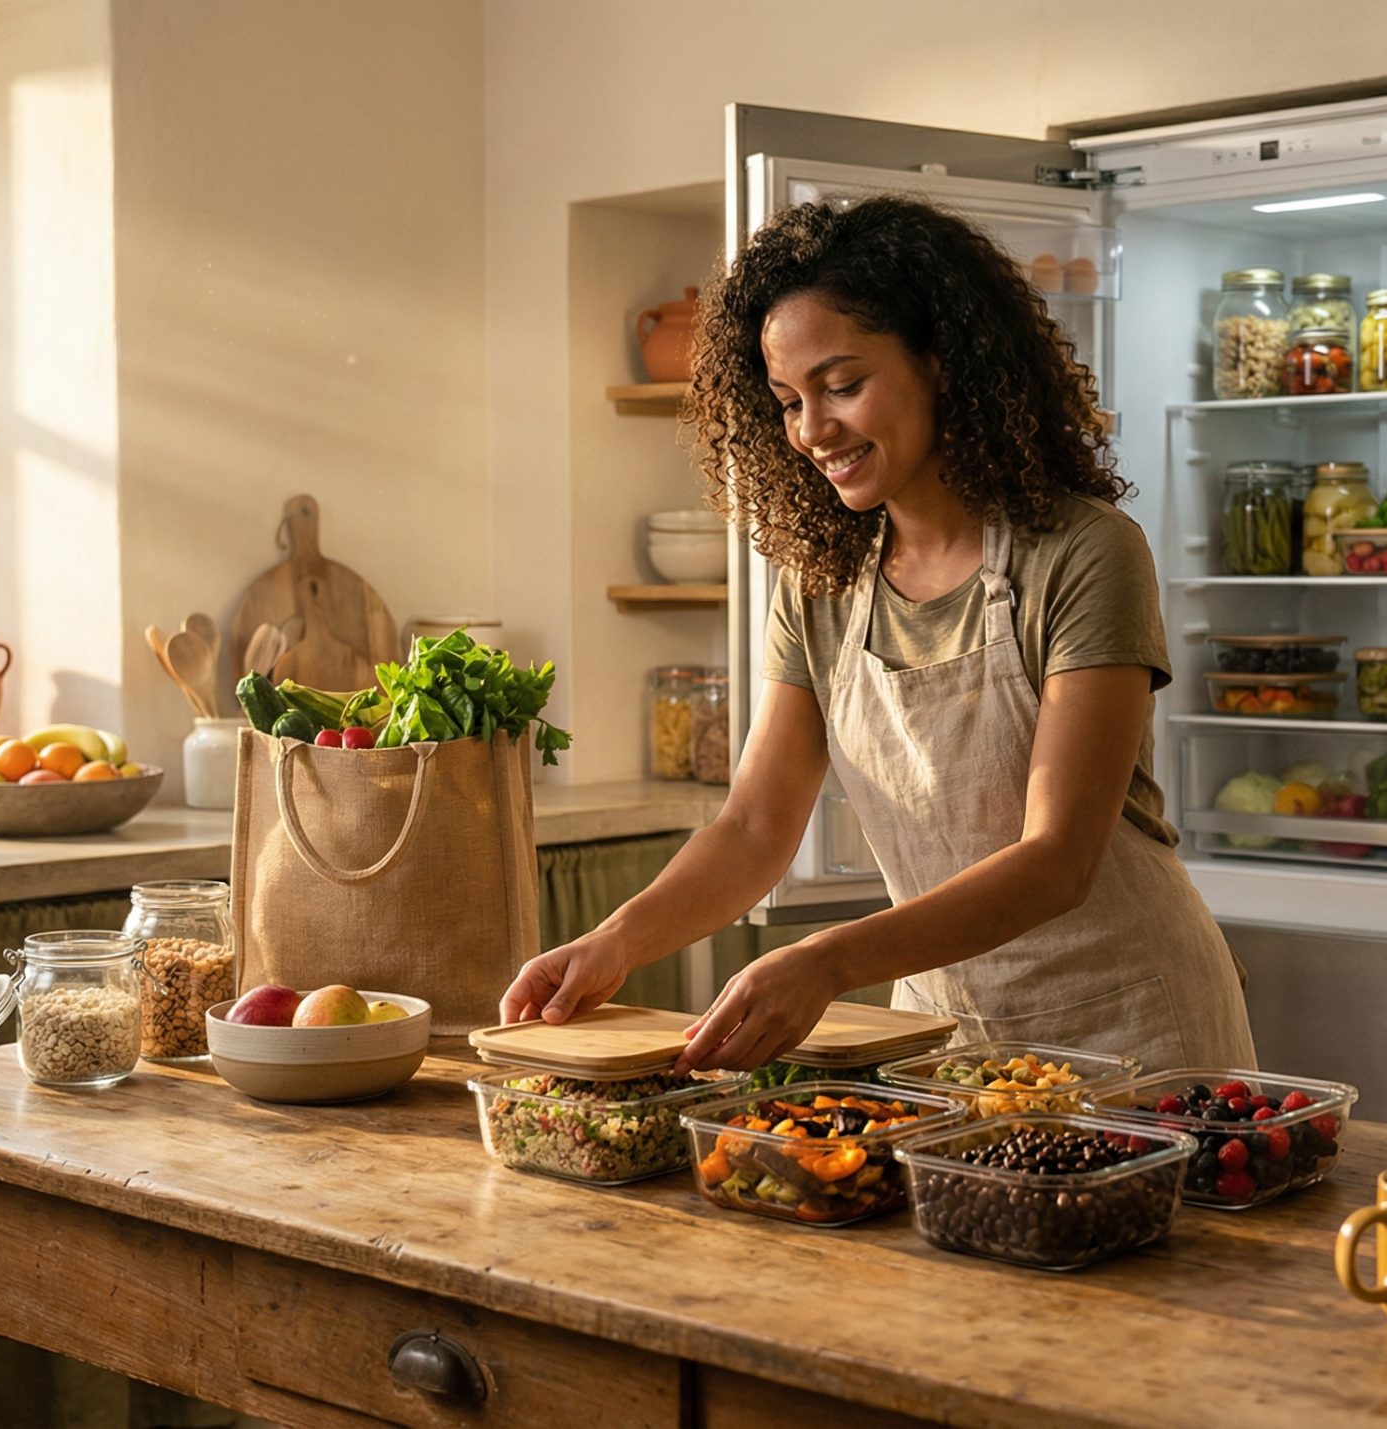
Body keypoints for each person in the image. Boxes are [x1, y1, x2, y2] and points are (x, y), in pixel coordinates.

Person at [501, 194, 1255, 1075]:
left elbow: (1057, 861)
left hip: (1130, 1031)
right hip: (937, 1033)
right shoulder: (821, 585)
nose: (812, 430)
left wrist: (829, 959)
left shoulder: (1084, 553)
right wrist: (615, 942)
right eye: (787, 401)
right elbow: (753, 827)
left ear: (942, 360)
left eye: (843, 384)